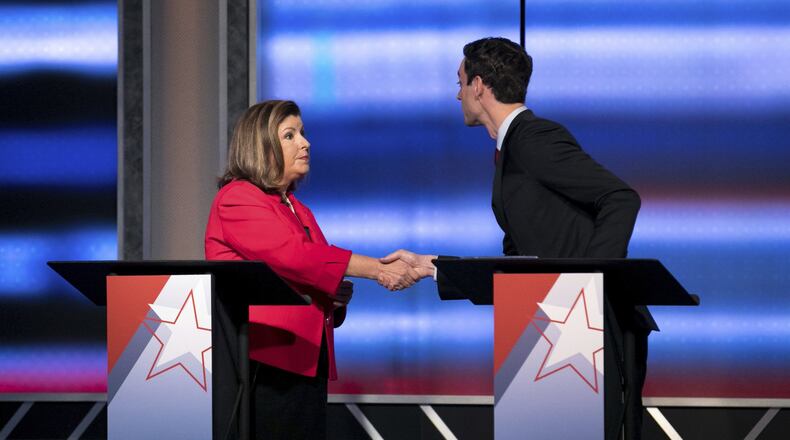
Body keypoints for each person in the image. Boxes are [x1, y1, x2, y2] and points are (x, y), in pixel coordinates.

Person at [385, 37, 655, 440]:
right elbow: (524, 263)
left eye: (459, 82)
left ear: (479, 86)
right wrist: (432, 266)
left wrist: (590, 285)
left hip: (584, 332)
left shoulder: (534, 137)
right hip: (549, 330)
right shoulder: (512, 149)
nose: (456, 93)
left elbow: (620, 198)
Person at [205, 100, 429, 439]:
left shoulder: (299, 209)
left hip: (306, 358)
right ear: (260, 145)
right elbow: (295, 257)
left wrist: (334, 296)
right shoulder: (237, 197)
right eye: (290, 135)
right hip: (263, 362)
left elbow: (311, 271)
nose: (305, 143)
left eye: (303, 133)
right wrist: (378, 270)